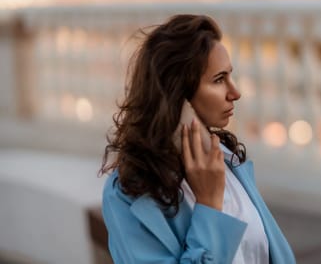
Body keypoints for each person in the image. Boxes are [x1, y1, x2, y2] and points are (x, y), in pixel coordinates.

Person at [99, 14, 296, 264]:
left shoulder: (227, 159)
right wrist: (209, 204)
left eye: (230, 76)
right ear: (177, 92)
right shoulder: (125, 195)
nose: (235, 93)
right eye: (218, 80)